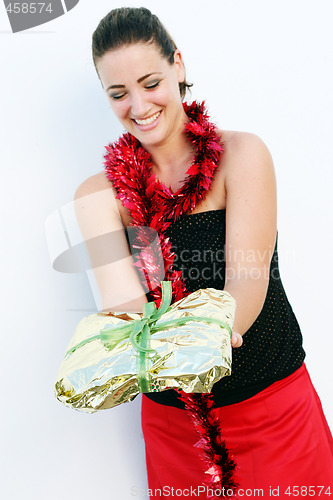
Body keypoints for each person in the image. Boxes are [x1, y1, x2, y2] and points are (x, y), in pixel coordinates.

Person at [74, 6, 333, 499]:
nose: (138, 105)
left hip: (270, 409)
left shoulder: (243, 155)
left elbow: (246, 284)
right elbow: (126, 310)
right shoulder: (97, 195)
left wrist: (210, 334)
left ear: (178, 65)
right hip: (176, 430)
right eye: (118, 93)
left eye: (150, 82)